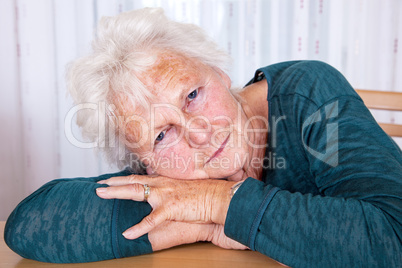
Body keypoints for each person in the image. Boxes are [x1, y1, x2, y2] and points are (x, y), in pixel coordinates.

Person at [4, 7, 402, 267]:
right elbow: (30, 224)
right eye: (162, 135)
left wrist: (217, 203)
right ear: (147, 165)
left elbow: (393, 237)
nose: (198, 134)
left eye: (192, 95)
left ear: (220, 72)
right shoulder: (172, 176)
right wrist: (208, 222)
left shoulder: (309, 93)